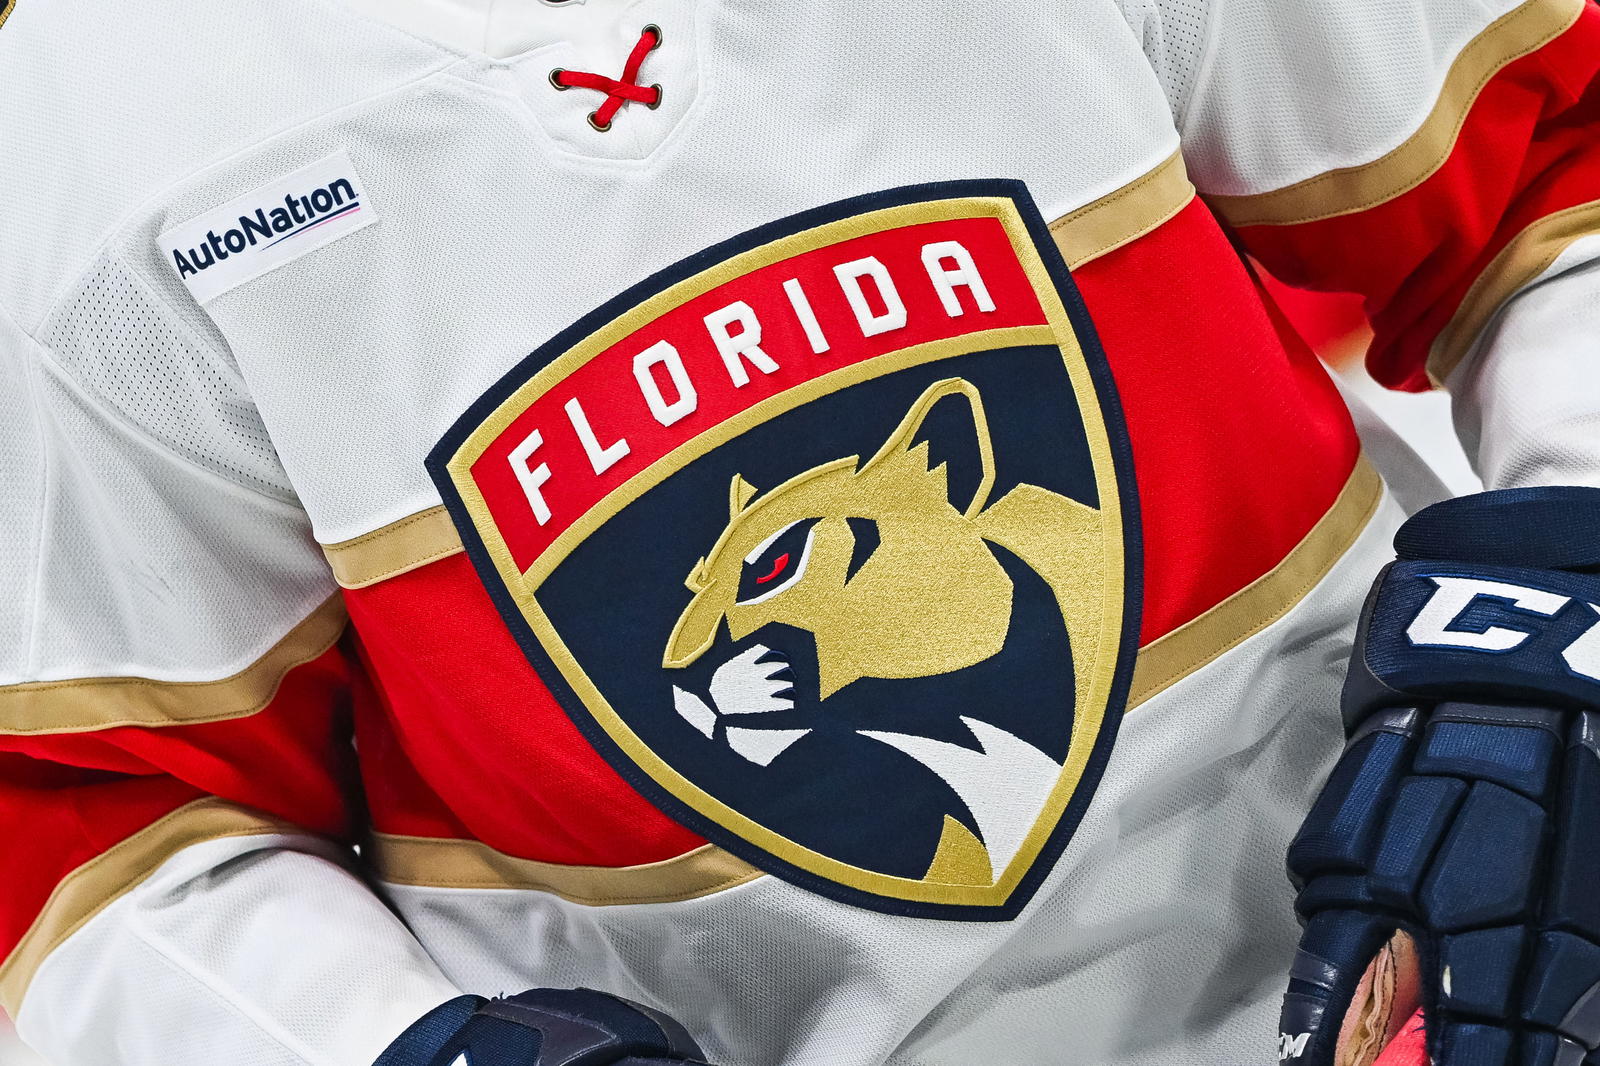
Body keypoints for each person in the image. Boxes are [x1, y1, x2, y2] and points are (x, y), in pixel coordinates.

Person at [1, 1, 1597, 1064]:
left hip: (1463, 974)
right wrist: (395, 1044)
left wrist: (1567, 604)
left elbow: (1556, 158)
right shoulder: (91, 134)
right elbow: (85, 817)